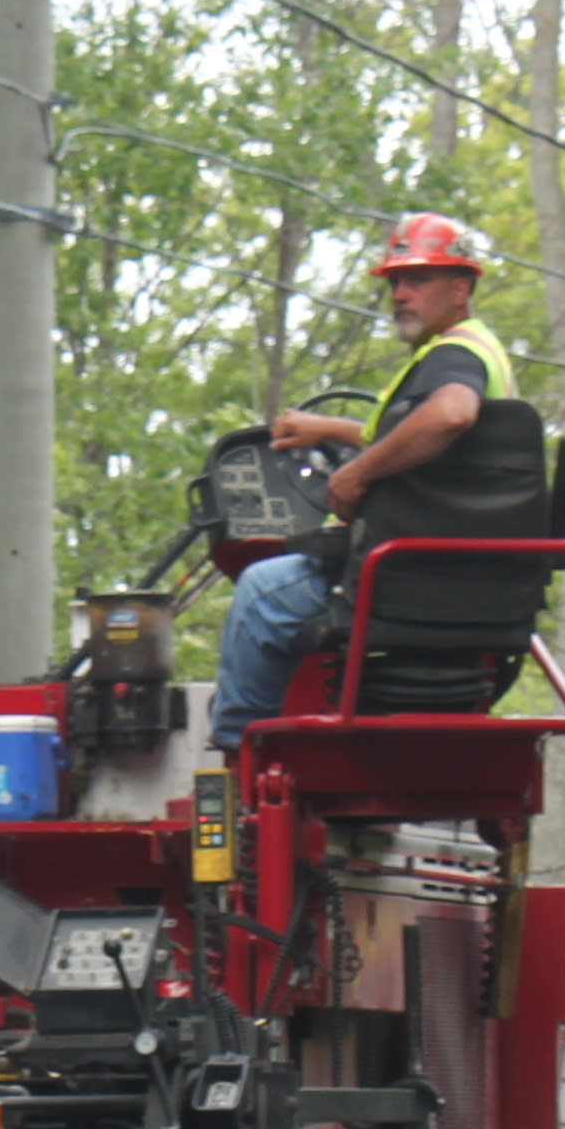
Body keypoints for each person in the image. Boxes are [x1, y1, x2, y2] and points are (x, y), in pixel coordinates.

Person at [206, 212, 517, 746]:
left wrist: (355, 476)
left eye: (418, 281)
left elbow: (449, 416)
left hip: (403, 570)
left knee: (262, 592)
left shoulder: (453, 357)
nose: (400, 294)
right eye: (396, 282)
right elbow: (420, 444)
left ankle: (237, 756)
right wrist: (329, 429)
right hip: (461, 569)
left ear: (461, 288)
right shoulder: (479, 353)